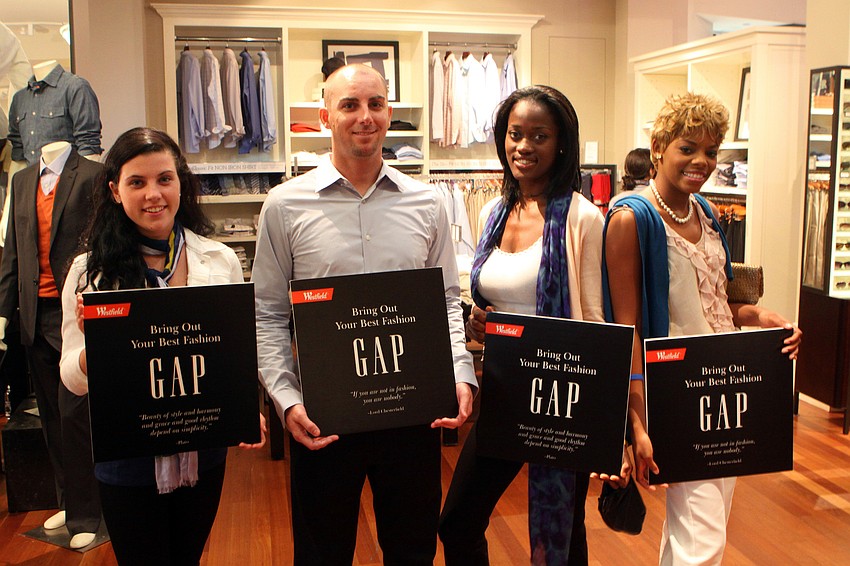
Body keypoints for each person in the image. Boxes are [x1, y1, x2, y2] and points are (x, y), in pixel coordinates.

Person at [252, 63, 477, 565]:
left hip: (412, 410)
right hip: (325, 414)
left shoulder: (427, 202)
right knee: (322, 551)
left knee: (413, 546)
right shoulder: (284, 206)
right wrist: (286, 400)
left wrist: (459, 372)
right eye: (350, 105)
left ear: (389, 112)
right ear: (325, 115)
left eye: (375, 104)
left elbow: (443, 299)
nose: (364, 117)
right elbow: (267, 313)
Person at [602, 92, 802, 565]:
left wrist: (762, 318)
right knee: (703, 536)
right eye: (687, 147)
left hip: (726, 388)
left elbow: (720, 304)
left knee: (693, 528)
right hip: (676, 393)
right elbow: (624, 326)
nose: (702, 161)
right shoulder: (632, 218)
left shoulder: (707, 213)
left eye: (711, 151)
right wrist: (636, 418)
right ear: (658, 148)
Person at [58, 127, 266, 565]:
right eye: (137, 182)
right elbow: (72, 381)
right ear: (115, 191)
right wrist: (95, 348)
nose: (153, 194)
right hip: (126, 457)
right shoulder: (88, 273)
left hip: (202, 453)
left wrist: (245, 406)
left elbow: (230, 353)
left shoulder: (219, 260)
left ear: (181, 183)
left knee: (187, 557)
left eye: (164, 179)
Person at [438, 85, 607, 565]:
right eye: (515, 134)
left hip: (562, 396)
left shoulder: (581, 218)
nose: (524, 147)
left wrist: (604, 420)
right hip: (506, 389)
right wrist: (479, 318)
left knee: (563, 534)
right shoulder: (493, 212)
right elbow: (493, 299)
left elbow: (594, 319)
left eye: (539, 136)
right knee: (458, 522)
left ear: (561, 144)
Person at [0, 139, 103, 548]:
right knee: (51, 417)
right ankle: (68, 499)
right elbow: (12, 251)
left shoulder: (92, 176)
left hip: (73, 311)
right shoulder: (23, 181)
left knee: (79, 414)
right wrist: (4, 312)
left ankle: (91, 511)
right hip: (33, 312)